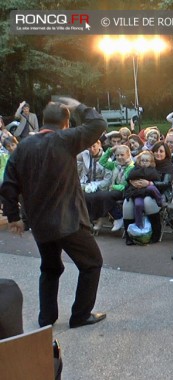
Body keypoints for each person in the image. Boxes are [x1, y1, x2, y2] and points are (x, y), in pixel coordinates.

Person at [0, 97, 107, 328]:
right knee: (92, 263)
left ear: (45, 119)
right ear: (66, 122)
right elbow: (98, 124)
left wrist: (14, 217)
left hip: (41, 224)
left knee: (50, 269)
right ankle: (80, 316)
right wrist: (79, 105)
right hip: (69, 221)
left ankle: (46, 320)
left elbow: (8, 184)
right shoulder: (65, 139)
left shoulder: (23, 147)